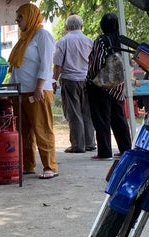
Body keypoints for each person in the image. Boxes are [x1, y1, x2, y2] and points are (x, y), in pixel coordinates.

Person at [8, 3, 58, 179]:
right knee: (25, 132)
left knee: (42, 129)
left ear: (30, 16)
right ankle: (28, 165)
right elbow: (16, 67)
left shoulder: (42, 35)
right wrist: (12, 89)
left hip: (38, 91)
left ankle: (49, 167)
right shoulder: (24, 38)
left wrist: (38, 88)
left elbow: (46, 64)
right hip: (21, 92)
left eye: (20, 17)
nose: (17, 20)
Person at [85, 13, 133, 160]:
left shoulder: (101, 41)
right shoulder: (122, 40)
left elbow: (96, 63)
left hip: (101, 86)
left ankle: (105, 152)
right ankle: (125, 149)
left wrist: (91, 79)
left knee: (101, 119)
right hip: (119, 85)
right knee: (119, 118)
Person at [52, 14, 96, 154]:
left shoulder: (63, 41)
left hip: (70, 80)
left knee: (74, 113)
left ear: (66, 27)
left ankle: (78, 145)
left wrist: (54, 80)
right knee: (86, 112)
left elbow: (57, 65)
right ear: (81, 26)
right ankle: (90, 142)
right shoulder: (89, 41)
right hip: (87, 80)